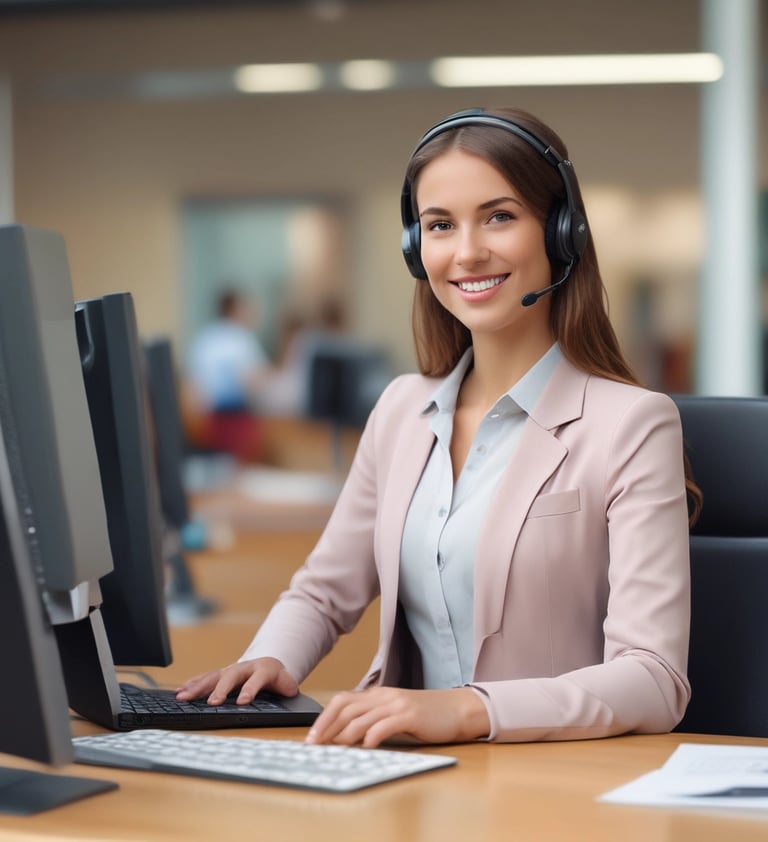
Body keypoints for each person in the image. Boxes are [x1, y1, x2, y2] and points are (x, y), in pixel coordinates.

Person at [176, 107, 701, 747]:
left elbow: (653, 677)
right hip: (410, 773)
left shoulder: (632, 425)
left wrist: (466, 709)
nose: (467, 251)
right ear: (415, 249)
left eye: (499, 216)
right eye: (440, 225)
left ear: (561, 233)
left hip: (551, 781)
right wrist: (269, 662)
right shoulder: (402, 409)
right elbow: (322, 592)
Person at [184, 288, 271, 461]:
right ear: (234, 309)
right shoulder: (242, 339)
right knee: (240, 468)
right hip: (237, 419)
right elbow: (254, 380)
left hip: (209, 421)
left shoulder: (205, 338)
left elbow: (193, 385)